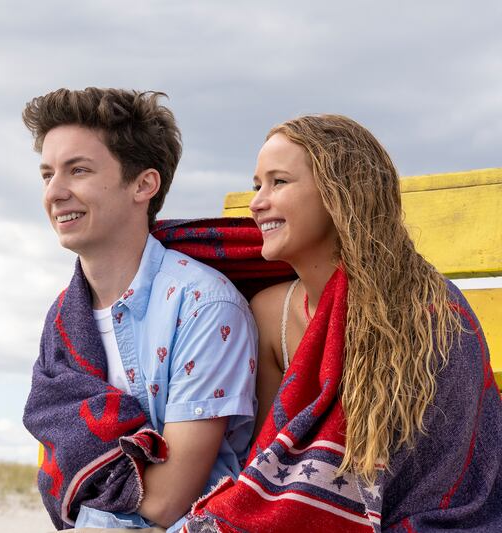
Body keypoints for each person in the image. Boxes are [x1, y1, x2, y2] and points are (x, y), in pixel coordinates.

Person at [183, 114, 502, 532]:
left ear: (340, 194)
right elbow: (270, 464)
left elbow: (445, 469)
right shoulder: (268, 311)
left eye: (279, 182)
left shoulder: (427, 313)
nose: (257, 202)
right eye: (256, 184)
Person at [21, 88, 258, 532]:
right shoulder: (63, 321)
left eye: (79, 171)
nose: (55, 192)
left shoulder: (203, 305)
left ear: (144, 184)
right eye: (48, 174)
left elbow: (166, 502)